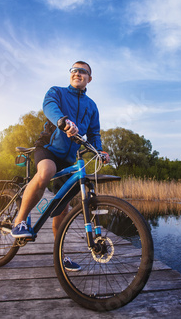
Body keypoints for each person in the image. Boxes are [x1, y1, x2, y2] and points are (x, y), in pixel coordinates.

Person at [11, 61, 109, 271]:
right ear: (70, 75)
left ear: (89, 79)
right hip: (48, 148)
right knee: (47, 171)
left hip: (68, 158)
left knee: (62, 210)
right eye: (74, 70)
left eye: (83, 71)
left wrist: (99, 150)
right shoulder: (57, 92)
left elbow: (94, 133)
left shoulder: (92, 106)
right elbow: (49, 106)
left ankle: (59, 256)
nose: (77, 73)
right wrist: (62, 121)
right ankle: (19, 221)